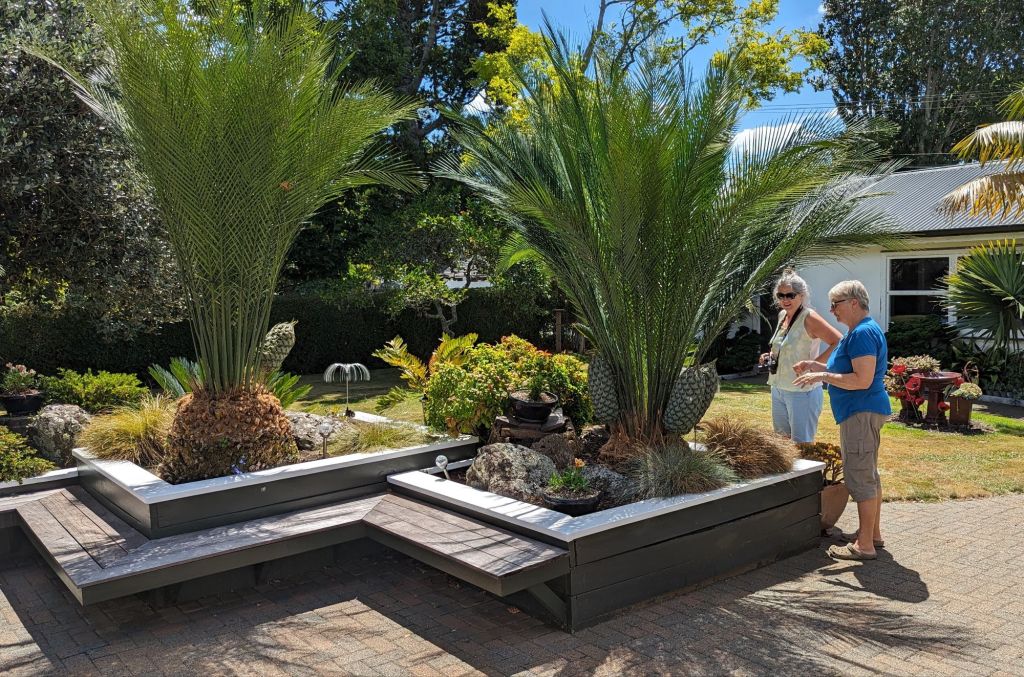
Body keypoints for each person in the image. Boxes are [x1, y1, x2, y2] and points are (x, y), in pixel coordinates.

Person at [793, 280, 891, 561]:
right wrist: (817, 366)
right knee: (868, 474)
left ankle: (864, 546)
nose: (832, 310)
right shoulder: (860, 331)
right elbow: (847, 368)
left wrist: (821, 376)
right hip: (861, 411)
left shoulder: (861, 333)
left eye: (835, 304)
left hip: (860, 412)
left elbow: (861, 380)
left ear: (854, 303)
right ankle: (871, 535)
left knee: (860, 476)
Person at [758, 270, 842, 443]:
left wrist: (813, 366)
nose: (785, 300)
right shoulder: (783, 315)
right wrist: (770, 355)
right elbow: (785, 345)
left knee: (801, 443)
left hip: (802, 391)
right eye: (781, 295)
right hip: (778, 387)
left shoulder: (809, 317)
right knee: (781, 443)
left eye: (790, 295)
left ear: (801, 295)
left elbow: (839, 342)